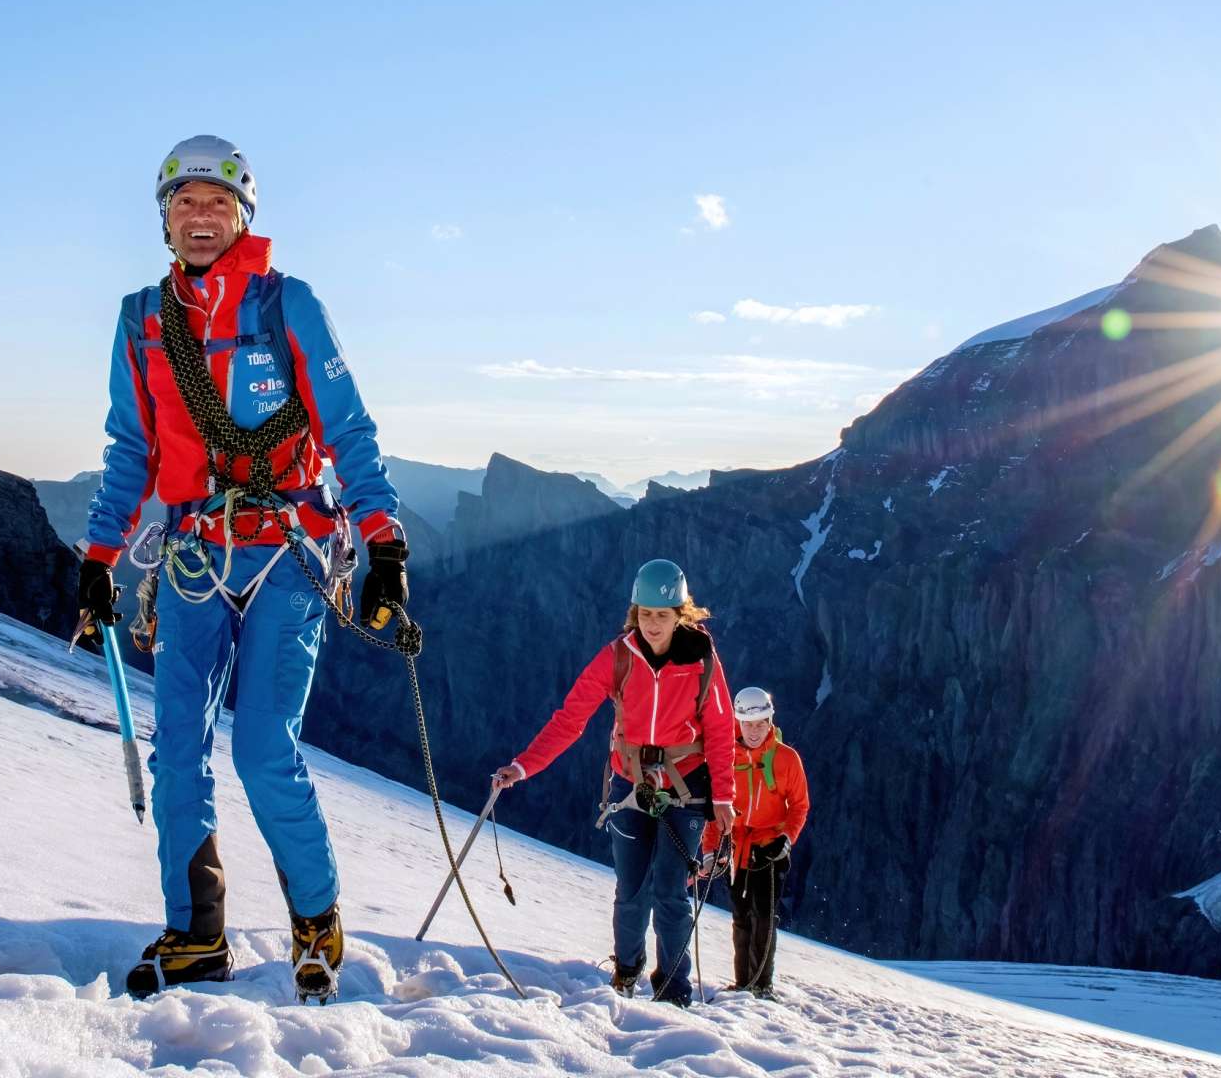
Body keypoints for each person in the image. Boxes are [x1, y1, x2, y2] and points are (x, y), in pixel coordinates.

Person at [75, 135, 410, 1002]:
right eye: (183, 202)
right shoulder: (141, 321)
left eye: (215, 202)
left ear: (242, 215)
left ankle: (316, 918)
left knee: (264, 748)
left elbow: (348, 430)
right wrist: (100, 555)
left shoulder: (287, 305)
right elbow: (129, 450)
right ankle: (198, 933)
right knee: (177, 748)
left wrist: (386, 546)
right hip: (192, 557)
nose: (199, 216)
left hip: (288, 552)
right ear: (163, 217)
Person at [491, 559, 734, 1005]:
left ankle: (674, 989)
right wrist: (523, 766)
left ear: (681, 614)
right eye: (645, 614)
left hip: (687, 788)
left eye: (662, 615)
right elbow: (571, 718)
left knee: (671, 892)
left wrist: (724, 798)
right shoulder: (618, 656)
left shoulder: (702, 660)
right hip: (630, 784)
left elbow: (719, 729)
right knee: (631, 889)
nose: (653, 624)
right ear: (634, 612)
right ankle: (626, 971)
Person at [703, 685, 808, 999]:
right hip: (739, 847)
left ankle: (760, 985)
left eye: (760, 724)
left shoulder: (786, 759)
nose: (753, 731)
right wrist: (711, 850)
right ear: (738, 722)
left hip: (770, 847)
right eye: (748, 724)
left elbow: (800, 806)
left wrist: (785, 840)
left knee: (763, 915)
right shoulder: (726, 758)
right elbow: (715, 808)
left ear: (769, 722)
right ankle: (743, 982)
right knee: (741, 913)